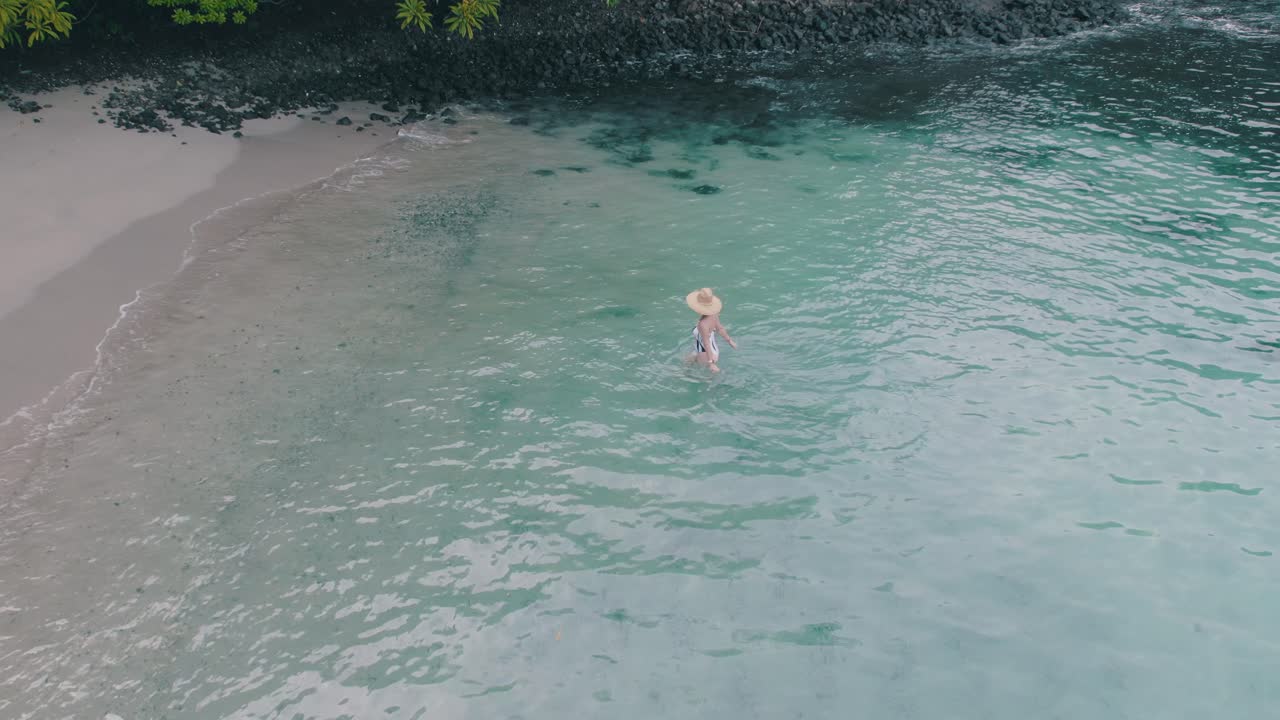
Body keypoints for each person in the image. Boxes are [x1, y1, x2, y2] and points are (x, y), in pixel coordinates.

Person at [686, 287, 738, 373]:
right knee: (686, 362)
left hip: (705, 353)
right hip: (707, 350)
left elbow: (706, 343)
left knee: (704, 378)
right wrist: (730, 341)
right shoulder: (714, 314)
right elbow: (720, 328)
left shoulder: (702, 324)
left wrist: (711, 363)